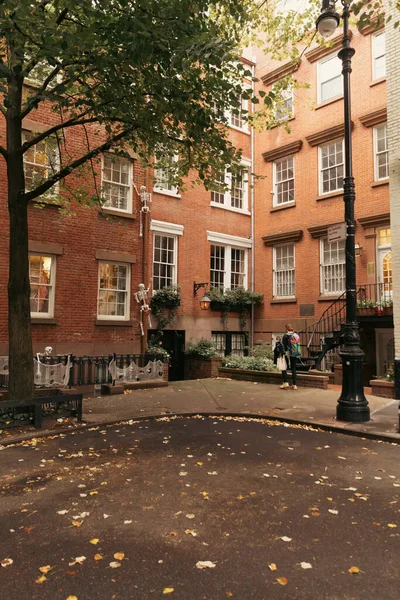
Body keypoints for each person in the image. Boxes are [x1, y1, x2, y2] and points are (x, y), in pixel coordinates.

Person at [280, 324, 300, 390]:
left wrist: (282, 354)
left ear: (286, 329)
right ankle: (294, 385)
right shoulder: (296, 335)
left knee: (284, 367)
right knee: (293, 368)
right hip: (294, 353)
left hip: (286, 353)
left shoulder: (285, 336)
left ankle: (285, 382)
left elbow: (283, 346)